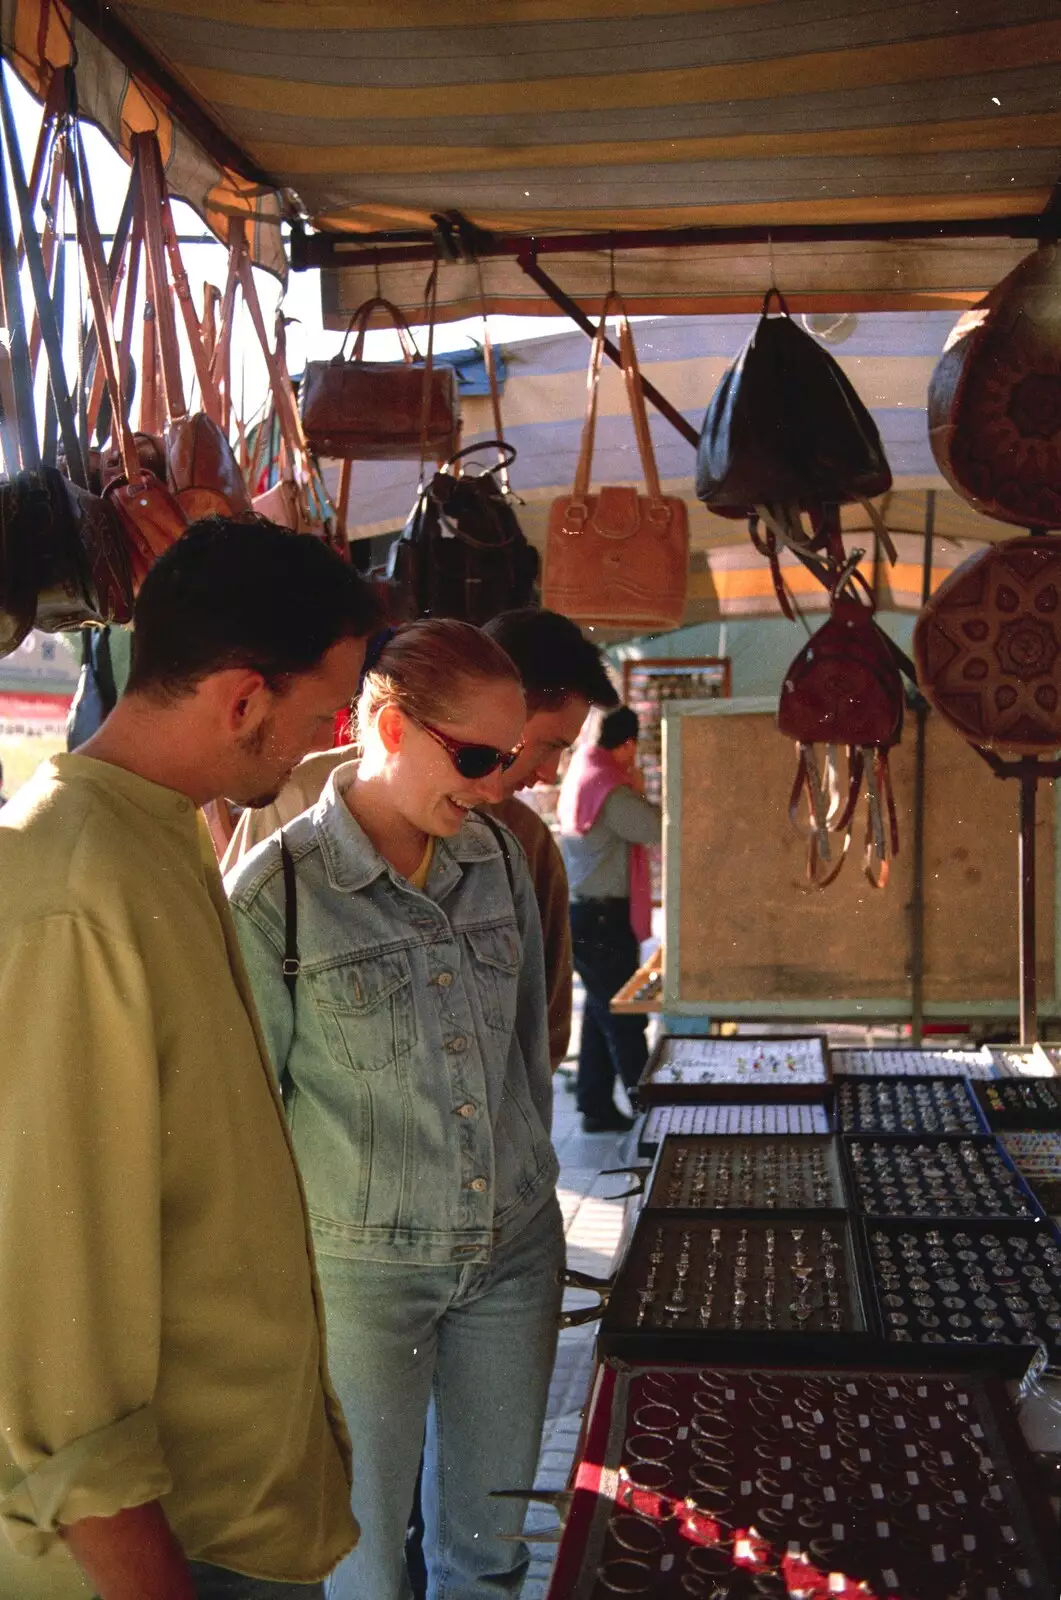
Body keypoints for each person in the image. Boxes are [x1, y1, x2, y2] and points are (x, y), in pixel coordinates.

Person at [0, 517, 381, 1600]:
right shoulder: (75, 888)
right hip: (163, 1551)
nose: (322, 743)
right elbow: (46, 1290)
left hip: (230, 1521)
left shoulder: (152, 834)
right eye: (319, 716)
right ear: (243, 697)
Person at [225, 619, 564, 1600]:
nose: (495, 785)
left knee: (488, 1556)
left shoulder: (496, 859)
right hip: (359, 1280)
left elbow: (524, 1058)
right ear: (386, 723)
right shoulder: (272, 896)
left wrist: (528, 1186)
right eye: (471, 757)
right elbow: (244, 1130)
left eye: (504, 758)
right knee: (362, 1566)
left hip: (512, 1255)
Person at [223, 606, 618, 1073]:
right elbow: (240, 1020)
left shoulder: (520, 845)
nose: (548, 774)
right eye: (548, 745)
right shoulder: (297, 799)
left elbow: (539, 1041)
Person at [557, 704, 662, 1133]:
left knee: (603, 1016)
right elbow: (656, 827)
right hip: (601, 917)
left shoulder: (584, 769)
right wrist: (638, 790)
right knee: (624, 1017)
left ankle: (595, 1105)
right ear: (628, 745)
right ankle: (651, 1109)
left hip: (585, 912)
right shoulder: (612, 789)